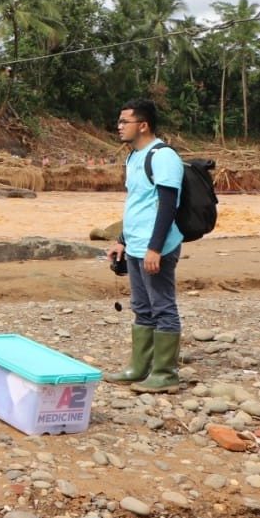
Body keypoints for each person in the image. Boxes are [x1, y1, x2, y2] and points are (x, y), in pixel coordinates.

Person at [105, 98, 184, 394]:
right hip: (136, 244)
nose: (119, 126)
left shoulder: (162, 156)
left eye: (124, 121)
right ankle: (139, 368)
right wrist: (121, 241)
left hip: (157, 246)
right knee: (141, 307)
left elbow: (167, 206)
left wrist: (156, 248)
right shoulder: (133, 157)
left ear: (143, 125)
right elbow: (137, 204)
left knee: (162, 305)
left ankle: (165, 374)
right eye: (119, 121)